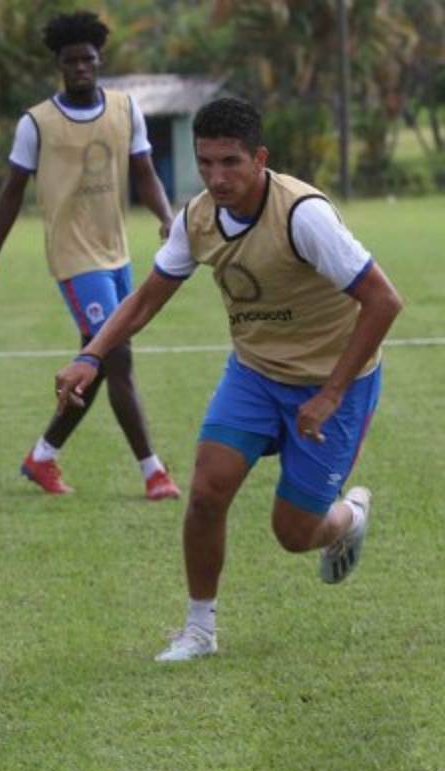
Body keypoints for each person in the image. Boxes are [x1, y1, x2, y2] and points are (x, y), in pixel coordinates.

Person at [55, 97, 403, 662]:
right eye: (206, 163)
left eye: (231, 163)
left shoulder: (301, 215)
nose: (217, 177)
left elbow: (384, 301)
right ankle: (199, 630)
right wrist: (91, 356)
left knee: (293, 532)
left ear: (260, 158)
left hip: (332, 380)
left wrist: (331, 393)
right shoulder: (197, 218)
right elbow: (145, 299)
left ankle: (347, 518)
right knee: (206, 493)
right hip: (256, 373)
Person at [0, 11, 180, 500]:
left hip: (117, 255)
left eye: (88, 58)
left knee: (100, 361)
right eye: (71, 60)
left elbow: (145, 170)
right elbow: (9, 195)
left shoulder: (126, 109)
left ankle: (42, 457)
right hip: (74, 258)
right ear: (60, 65)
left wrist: (167, 217)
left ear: (99, 59)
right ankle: (154, 473)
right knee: (116, 356)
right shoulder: (37, 123)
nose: (81, 67)